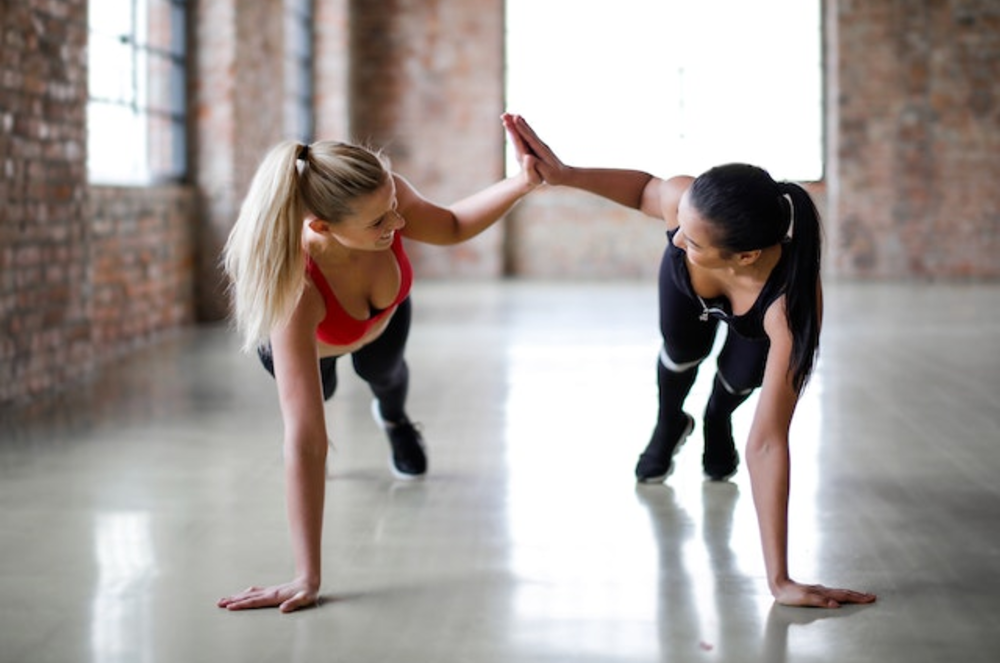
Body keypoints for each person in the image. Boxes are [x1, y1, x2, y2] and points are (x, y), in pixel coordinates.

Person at [503, 113, 876, 610]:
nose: (677, 238)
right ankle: (669, 423)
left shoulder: (791, 306)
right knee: (682, 355)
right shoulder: (688, 208)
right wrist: (565, 174)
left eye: (693, 241)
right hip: (687, 290)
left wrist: (780, 579)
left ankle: (715, 420)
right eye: (682, 227)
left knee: (737, 381)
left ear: (745, 256)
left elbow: (768, 442)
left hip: (754, 317)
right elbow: (643, 192)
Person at [217, 126, 542, 613]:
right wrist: (307, 576)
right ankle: (367, 400)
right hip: (318, 344)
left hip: (382, 317)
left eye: (394, 204)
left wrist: (524, 181)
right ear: (322, 226)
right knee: (316, 404)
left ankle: (394, 420)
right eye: (378, 222)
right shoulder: (295, 294)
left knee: (387, 378)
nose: (397, 219)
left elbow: (451, 225)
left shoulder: (382, 197)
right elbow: (304, 440)